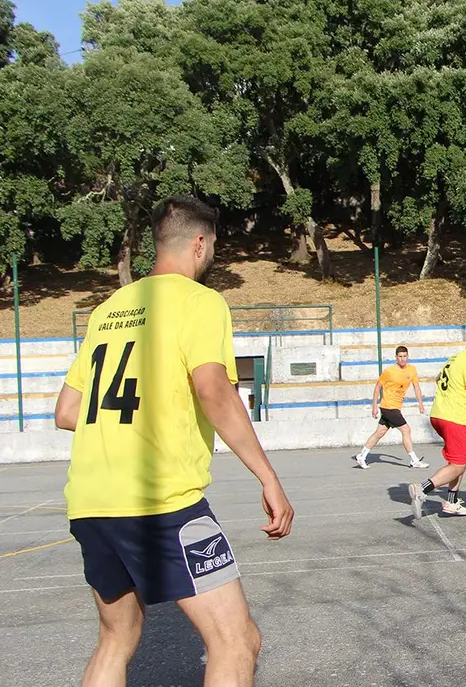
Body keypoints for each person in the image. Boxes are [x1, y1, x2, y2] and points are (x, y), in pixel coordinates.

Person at [52, 196, 294, 687]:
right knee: (235, 639)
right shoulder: (200, 302)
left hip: (91, 503)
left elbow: (68, 412)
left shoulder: (108, 309)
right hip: (161, 502)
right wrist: (268, 476)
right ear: (200, 244)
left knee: (117, 640)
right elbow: (214, 391)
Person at [408, 328, 466, 518]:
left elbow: (437, 378)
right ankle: (422, 489)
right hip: (453, 417)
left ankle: (451, 501)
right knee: (458, 464)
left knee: (461, 458)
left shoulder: (454, 358)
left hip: (438, 414)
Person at [355, 346, 428, 469]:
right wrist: (374, 406)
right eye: (400, 357)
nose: (402, 359)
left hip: (396, 407)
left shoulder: (412, 370)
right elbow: (378, 387)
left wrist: (420, 403)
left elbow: (416, 387)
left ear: (407, 356)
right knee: (406, 430)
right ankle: (414, 460)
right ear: (396, 357)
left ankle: (362, 456)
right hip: (388, 406)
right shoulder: (389, 371)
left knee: (380, 432)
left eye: (404, 356)